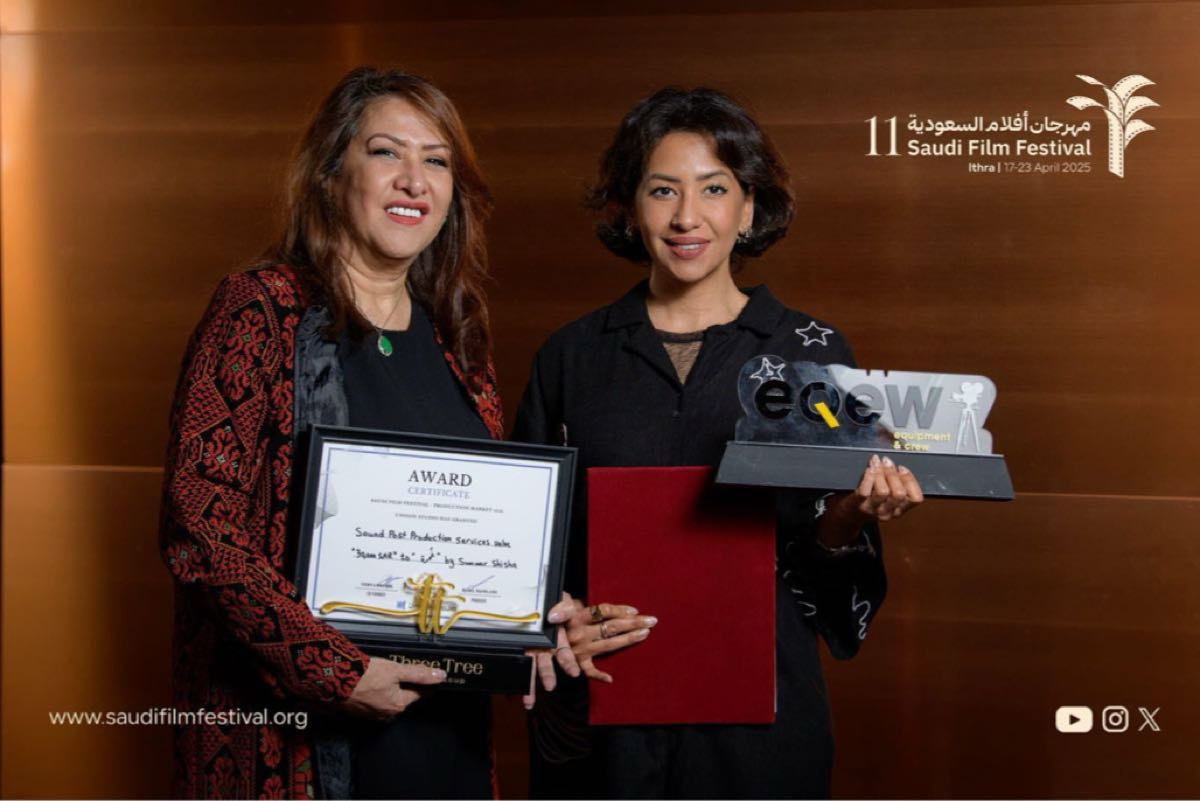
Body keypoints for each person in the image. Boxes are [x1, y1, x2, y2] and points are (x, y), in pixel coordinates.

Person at [160, 66, 568, 800]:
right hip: (297, 739)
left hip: (442, 732)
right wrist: (335, 671)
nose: (414, 180)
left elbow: (470, 533)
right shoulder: (261, 309)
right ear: (329, 174)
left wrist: (527, 612)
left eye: (436, 161)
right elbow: (200, 526)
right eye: (386, 152)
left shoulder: (458, 340)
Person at [513, 87, 925, 798]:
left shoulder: (811, 354)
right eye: (662, 190)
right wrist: (556, 618)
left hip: (761, 728)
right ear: (629, 207)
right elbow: (523, 545)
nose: (686, 216)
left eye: (714, 188)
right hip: (607, 720)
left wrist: (852, 514)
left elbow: (829, 577)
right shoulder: (571, 357)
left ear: (749, 208)